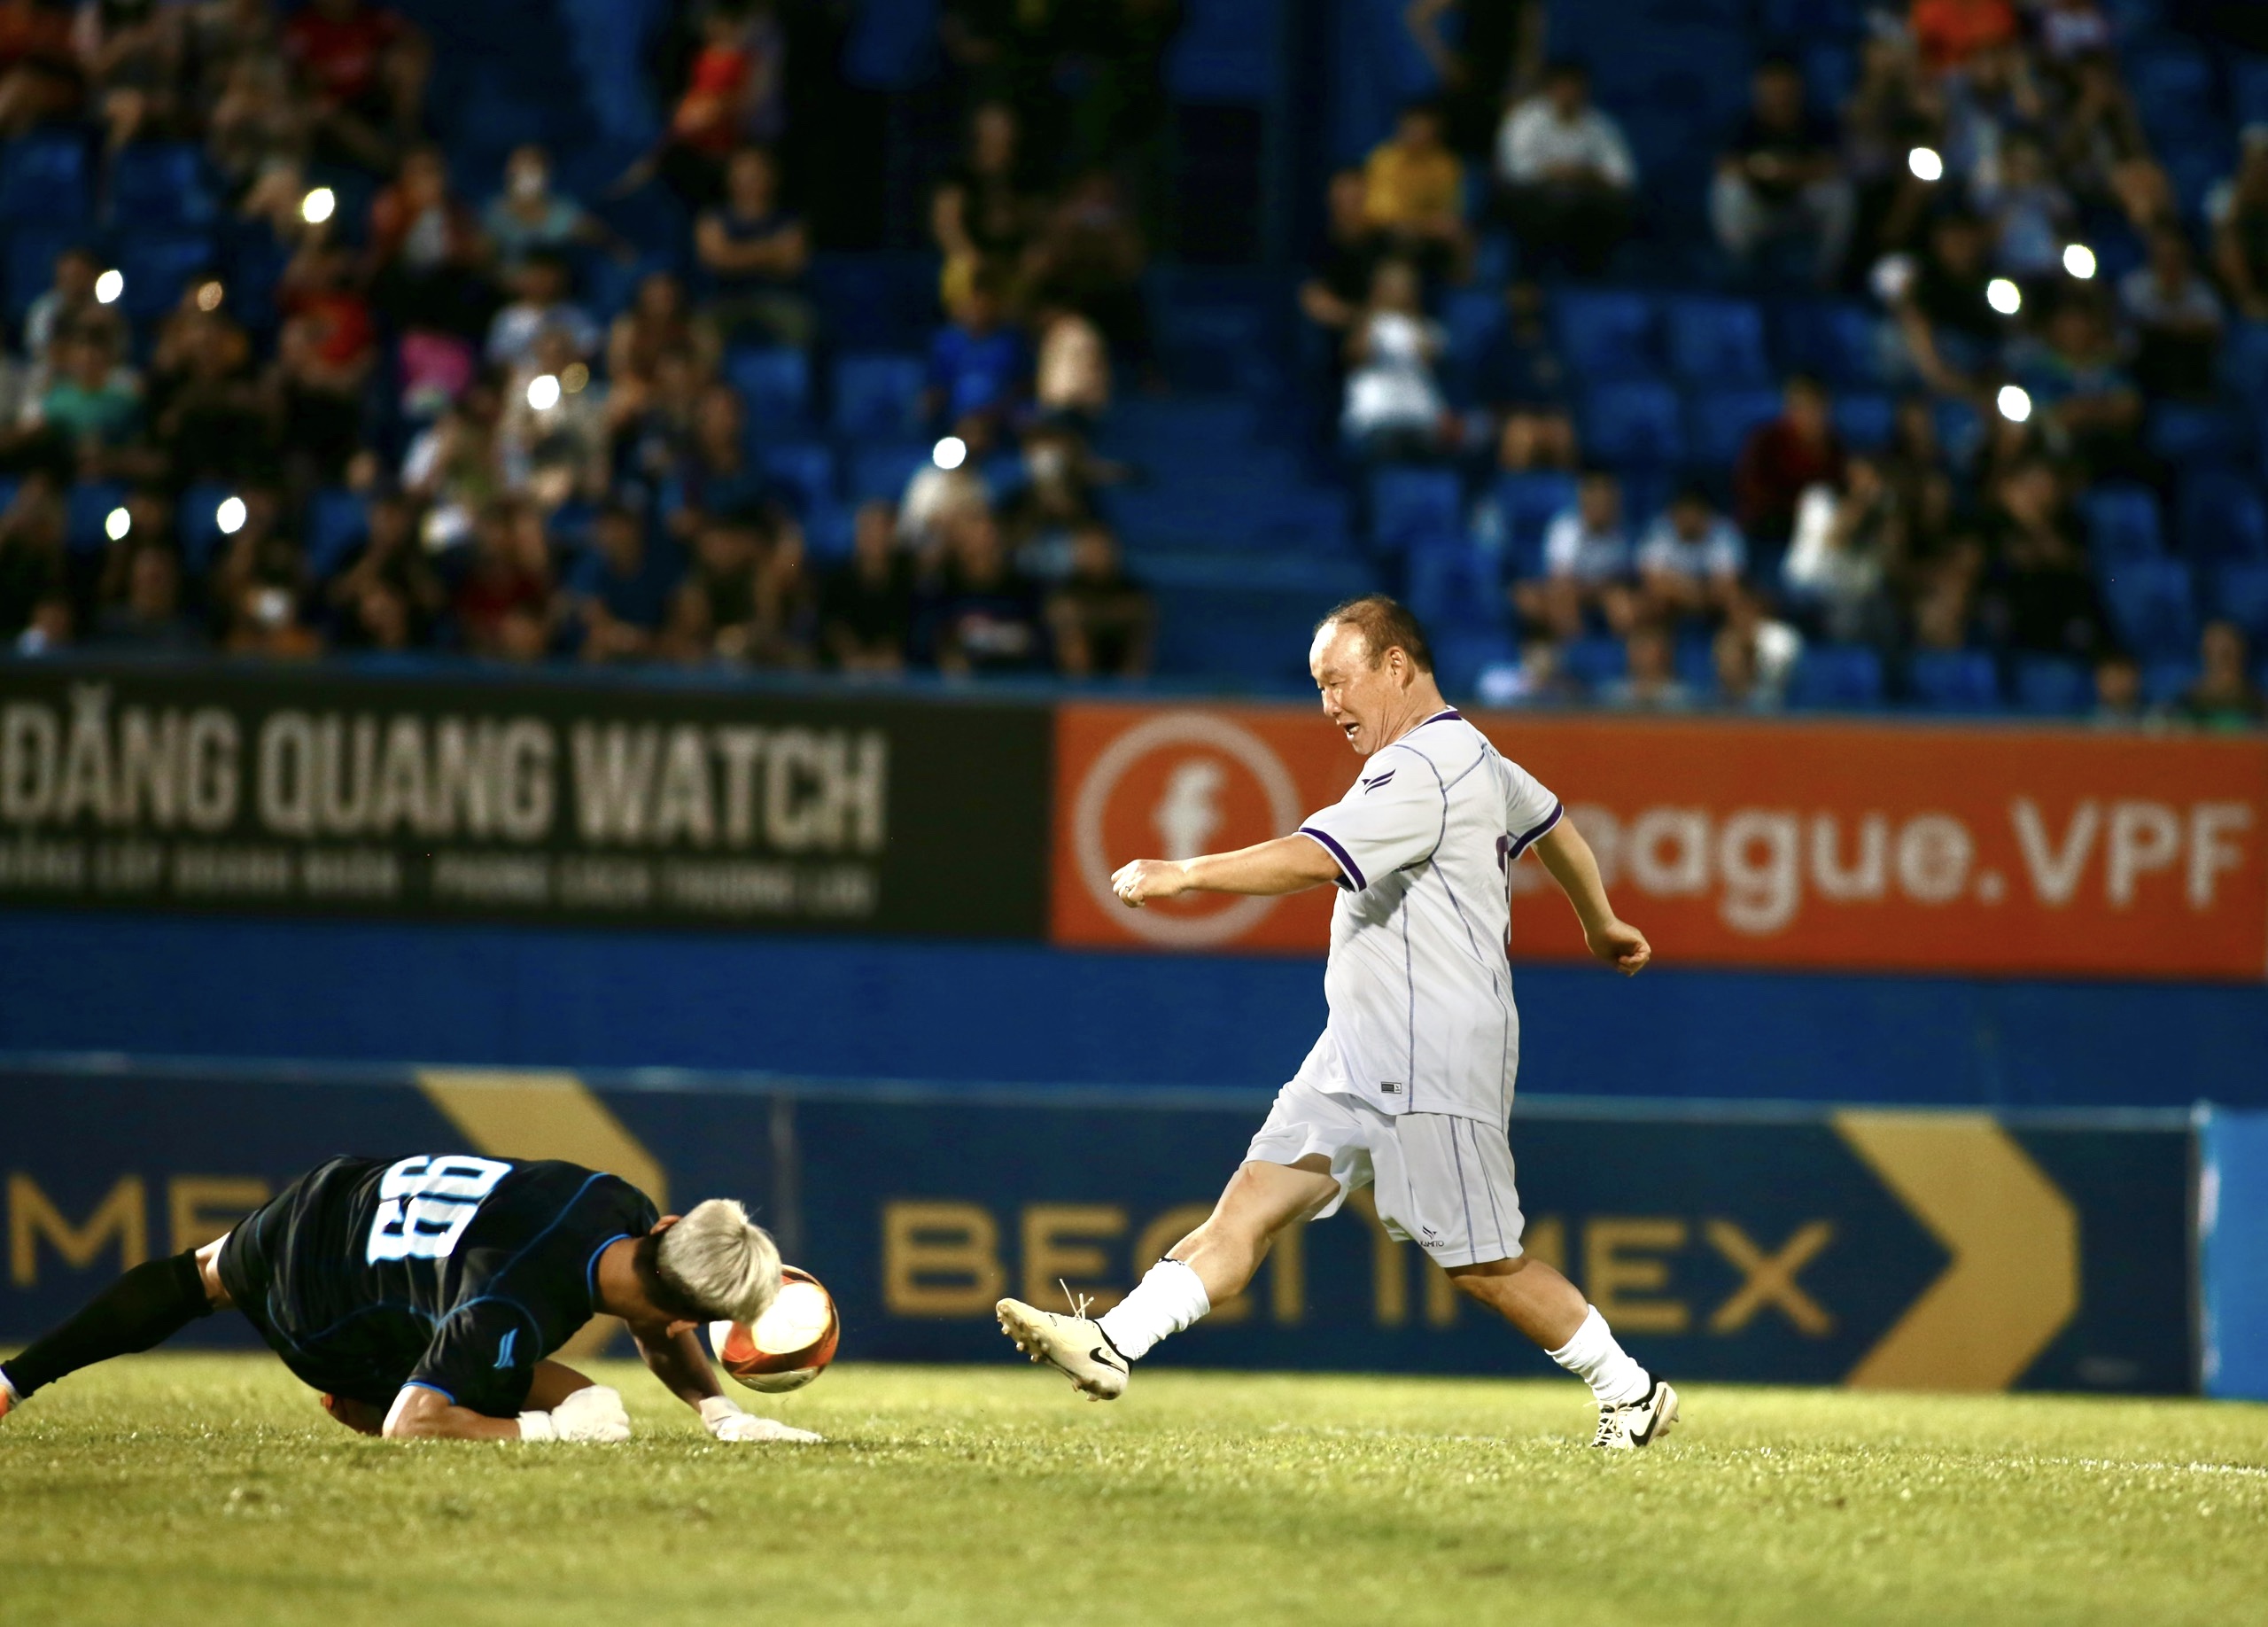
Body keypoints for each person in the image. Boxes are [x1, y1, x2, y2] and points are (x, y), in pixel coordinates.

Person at [995, 596, 1675, 1451]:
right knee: (1244, 1211)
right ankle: (1114, 1342)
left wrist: (1186, 871)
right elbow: (1555, 824)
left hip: (1435, 1053)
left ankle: (1632, 1391)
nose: (1328, 705)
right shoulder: (1474, 754)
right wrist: (1599, 921)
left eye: (1337, 681)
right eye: (1318, 687)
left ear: (1396, 666)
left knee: (1485, 1267)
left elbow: (1317, 859)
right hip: (1360, 1045)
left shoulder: (1424, 765)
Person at [0, 1153, 814, 1444]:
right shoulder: (509, 1308)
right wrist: (537, 1436)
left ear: (670, 1223)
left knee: (196, 1277)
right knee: (589, 1409)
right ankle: (357, 1378)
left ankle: (10, 1381)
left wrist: (720, 1415)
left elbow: (656, 1307)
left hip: (335, 1196)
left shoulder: (617, 1201)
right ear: (681, 1317)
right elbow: (412, 1424)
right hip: (322, 1312)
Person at [1712, 58, 1854, 286]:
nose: (1778, 95)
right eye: (1771, 88)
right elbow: (1726, 166)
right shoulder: (1744, 122)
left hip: (1803, 209)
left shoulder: (1817, 122)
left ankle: (1825, 279)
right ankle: (1738, 273)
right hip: (1759, 209)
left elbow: (1833, 166)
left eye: (1784, 88)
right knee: (1728, 189)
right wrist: (1765, 170)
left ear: (1798, 88)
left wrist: (1785, 171)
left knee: (1839, 192)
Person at [1494, 61, 1636, 279]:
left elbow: (1624, 175)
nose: (1569, 94)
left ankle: (1592, 276)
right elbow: (1515, 169)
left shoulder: (1600, 124)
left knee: (1616, 205)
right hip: (1533, 196)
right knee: (1550, 204)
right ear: (1549, 89)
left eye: (1576, 88)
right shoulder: (1525, 119)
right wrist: (1555, 171)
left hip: (1584, 196)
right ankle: (1528, 277)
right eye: (1563, 87)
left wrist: (1581, 174)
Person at [694, 145, 814, 350]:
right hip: (724, 299)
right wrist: (771, 250)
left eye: (755, 175)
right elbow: (715, 260)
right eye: (742, 175)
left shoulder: (790, 221)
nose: (748, 183)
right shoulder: (713, 219)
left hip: (778, 298)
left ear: (772, 178)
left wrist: (734, 253)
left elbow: (793, 264)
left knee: (804, 325)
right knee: (699, 329)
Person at [1340, 259, 1449, 462]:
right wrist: (1372, 309)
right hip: (1376, 416)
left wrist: (1413, 316)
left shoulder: (1427, 327)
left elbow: (1430, 358)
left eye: (1404, 285)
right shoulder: (1366, 324)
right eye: (1391, 285)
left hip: (1418, 417)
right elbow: (1356, 356)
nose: (1398, 291)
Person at [1514, 466, 1635, 640]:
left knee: (1621, 603)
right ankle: (1575, 651)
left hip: (1603, 595)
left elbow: (1624, 580)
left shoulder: (1622, 534)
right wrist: (1596, 588)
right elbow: (1561, 579)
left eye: (1606, 500)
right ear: (1584, 500)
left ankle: (1623, 654)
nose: (1601, 506)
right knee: (1557, 597)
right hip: (1569, 591)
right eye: (1596, 499)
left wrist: (1604, 590)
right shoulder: (1565, 528)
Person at [1362, 102, 1470, 284]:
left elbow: (1449, 213)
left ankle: (1458, 291)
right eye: (1413, 129)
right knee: (1402, 235)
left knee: (1459, 236)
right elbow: (1382, 213)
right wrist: (1423, 224)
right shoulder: (1384, 160)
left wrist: (1428, 225)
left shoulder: (1445, 165)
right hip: (1386, 235)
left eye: (1425, 130)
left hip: (1428, 236)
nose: (1419, 135)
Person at [1734, 373, 1845, 547]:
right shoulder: (1765, 441)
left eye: (1814, 407)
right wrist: (1797, 508)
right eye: (1800, 407)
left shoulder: (1834, 444)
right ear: (1788, 409)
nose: (1807, 414)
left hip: (1819, 530)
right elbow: (1753, 493)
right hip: (1771, 529)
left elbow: (1837, 490)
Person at [1480, 280, 1577, 472]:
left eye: (1528, 293)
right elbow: (1486, 393)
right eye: (1517, 293)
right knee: (1520, 433)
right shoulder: (1498, 346)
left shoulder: (1553, 345)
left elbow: (1567, 388)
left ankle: (1566, 499)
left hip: (1548, 416)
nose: (1523, 299)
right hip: (1512, 418)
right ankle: (1510, 497)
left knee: (1561, 432)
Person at [2119, 230, 2225, 401]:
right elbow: (2133, 327)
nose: (2168, 262)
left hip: (2190, 366)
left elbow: (2213, 327)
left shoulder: (2200, 289)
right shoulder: (2133, 285)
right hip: (2142, 365)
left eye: (2174, 256)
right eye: (2162, 255)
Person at [1045, 522, 1153, 678]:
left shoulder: (1132, 591)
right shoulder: (1065, 591)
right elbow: (1060, 611)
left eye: (1101, 548)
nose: (1095, 555)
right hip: (1071, 676)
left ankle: (1129, 695)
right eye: (1089, 549)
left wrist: (1091, 615)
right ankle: (1080, 689)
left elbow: (1138, 611)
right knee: (1068, 622)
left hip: (1122, 665)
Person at [1636, 486, 1747, 624]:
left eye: (1695, 513)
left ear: (1706, 515)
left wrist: (1694, 592)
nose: (1689, 519)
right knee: (1654, 600)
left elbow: (1728, 584)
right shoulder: (1660, 530)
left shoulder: (1723, 532)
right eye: (1684, 512)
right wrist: (1690, 592)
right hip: (1674, 603)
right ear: (1674, 513)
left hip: (1712, 604)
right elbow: (1653, 580)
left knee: (1736, 600)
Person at [2208, 127, 2268, 323]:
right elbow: (2226, 251)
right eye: (2255, 163)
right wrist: (2248, 298)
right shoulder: (2225, 196)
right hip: (2240, 291)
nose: (2261, 168)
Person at [2177, 620, 2265, 730]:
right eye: (2212, 654)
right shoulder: (2185, 702)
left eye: (2226, 654)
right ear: (2204, 656)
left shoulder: (2259, 704)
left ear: (2241, 655)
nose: (2220, 663)